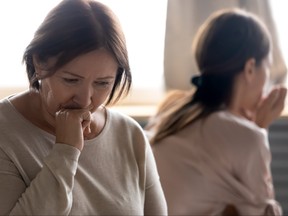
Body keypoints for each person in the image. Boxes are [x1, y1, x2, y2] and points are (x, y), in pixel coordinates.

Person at [0, 0, 167, 215]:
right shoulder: (5, 133)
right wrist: (66, 151)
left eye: (102, 83)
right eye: (71, 80)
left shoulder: (130, 134)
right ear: (40, 62)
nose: (86, 100)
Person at [145, 8, 287, 216]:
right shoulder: (246, 137)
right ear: (250, 68)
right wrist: (259, 129)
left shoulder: (170, 111)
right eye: (267, 66)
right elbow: (267, 212)